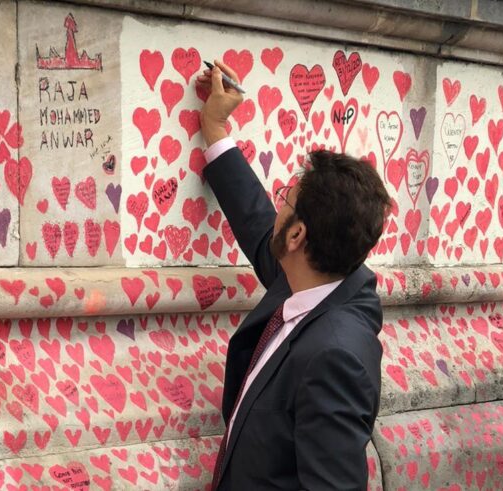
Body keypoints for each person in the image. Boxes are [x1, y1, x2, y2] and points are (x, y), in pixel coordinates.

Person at [196, 60, 392, 490]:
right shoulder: (315, 280)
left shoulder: (334, 355)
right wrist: (214, 127)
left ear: (298, 235)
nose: (277, 203)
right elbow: (257, 222)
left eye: (286, 197)